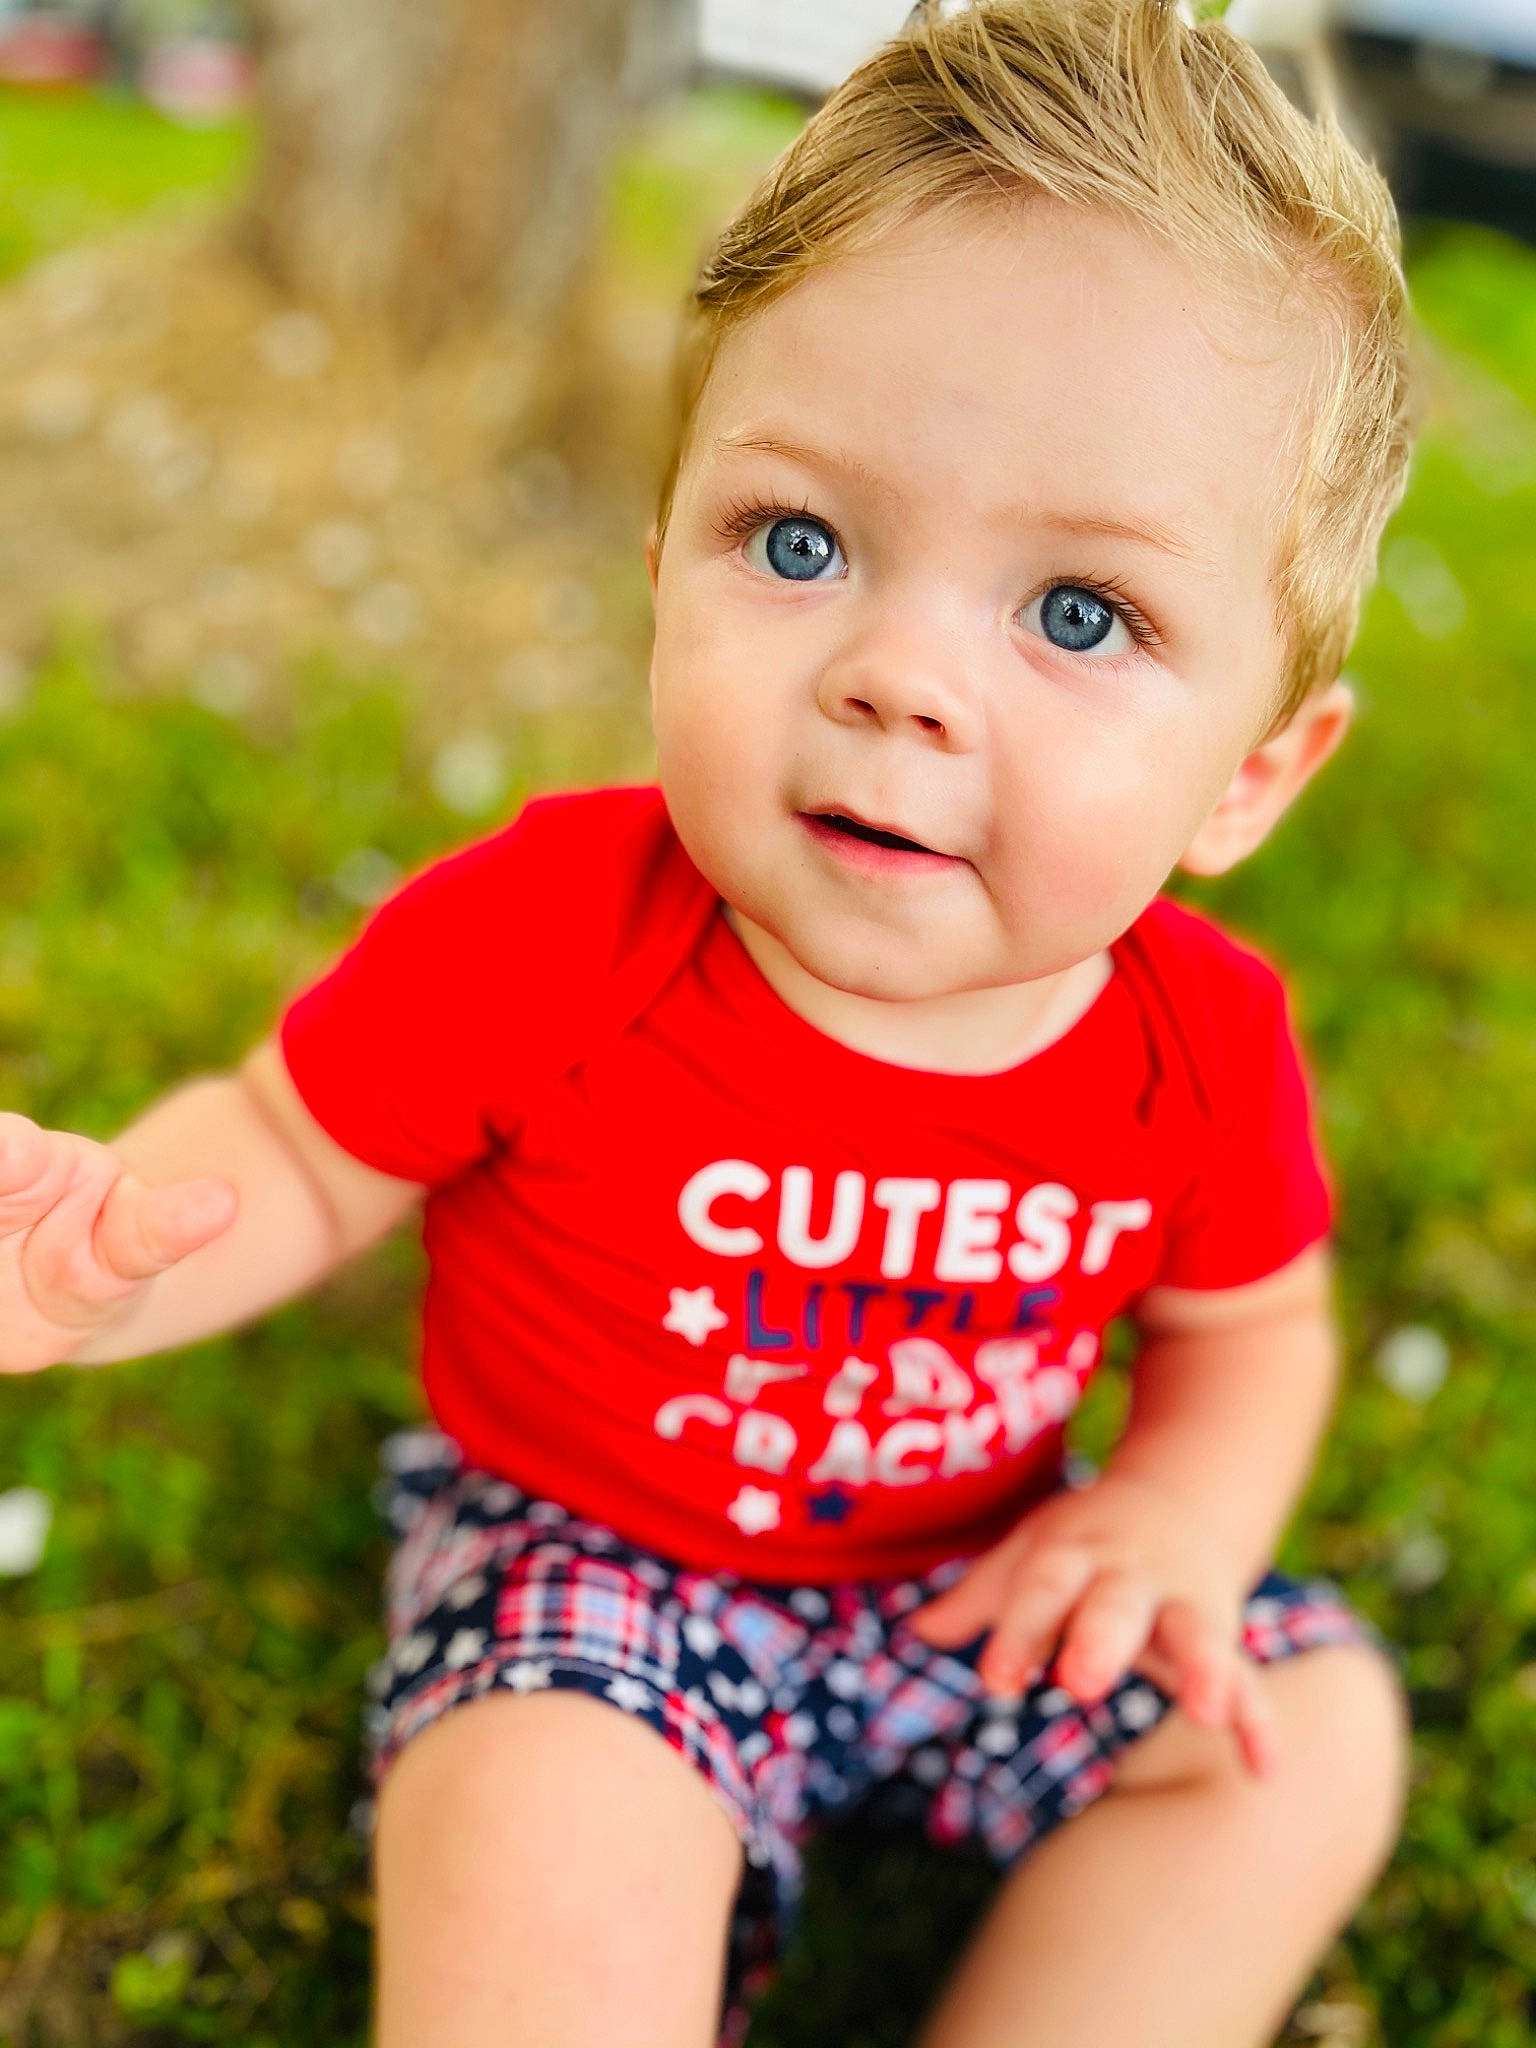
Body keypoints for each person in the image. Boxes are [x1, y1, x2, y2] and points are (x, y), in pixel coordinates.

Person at [0, 3, 1415, 2043]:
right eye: (804, 540)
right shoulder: (556, 927)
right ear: (665, 559)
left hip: (984, 1577)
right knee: (546, 1811)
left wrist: (1176, 1511)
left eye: (1078, 613)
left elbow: (1249, 1329)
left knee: (1307, 1727)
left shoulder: (1200, 1041)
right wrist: (101, 1251)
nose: (899, 673)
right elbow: (300, 1145)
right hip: (606, 1566)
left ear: (1254, 776)